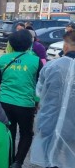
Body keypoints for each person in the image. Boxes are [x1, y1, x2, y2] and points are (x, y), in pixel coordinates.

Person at [0, 30, 43, 168]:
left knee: (10, 132)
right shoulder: (36, 61)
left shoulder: (3, 59)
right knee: (26, 133)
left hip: (4, 102)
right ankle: (18, 162)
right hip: (25, 104)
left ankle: (8, 160)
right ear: (29, 44)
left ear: (11, 44)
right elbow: (40, 84)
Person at [30, 31, 75, 168]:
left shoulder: (52, 66)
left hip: (49, 116)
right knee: (70, 151)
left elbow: (39, 91)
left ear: (65, 47)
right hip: (73, 121)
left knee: (48, 149)